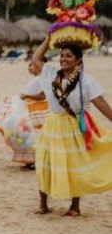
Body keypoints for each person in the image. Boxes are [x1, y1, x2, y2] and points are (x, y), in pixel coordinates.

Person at [30, 38, 112, 216]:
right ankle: (43, 204)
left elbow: (101, 103)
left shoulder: (86, 81)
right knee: (44, 162)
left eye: (68, 56)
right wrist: (49, 39)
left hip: (73, 126)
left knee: (74, 163)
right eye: (61, 55)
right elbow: (36, 59)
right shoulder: (51, 73)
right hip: (52, 124)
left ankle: (74, 207)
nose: (63, 59)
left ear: (78, 60)